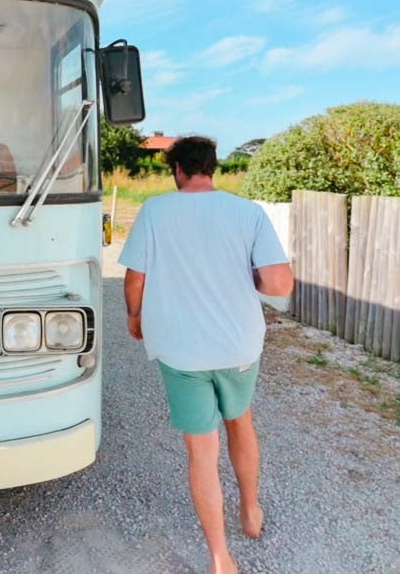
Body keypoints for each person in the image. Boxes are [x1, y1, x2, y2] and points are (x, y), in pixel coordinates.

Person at [119, 135, 294, 574]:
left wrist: (135, 316)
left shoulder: (156, 211)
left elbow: (135, 279)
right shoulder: (247, 212)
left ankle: (220, 556)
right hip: (238, 344)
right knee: (241, 420)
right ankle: (250, 510)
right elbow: (279, 285)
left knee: (201, 450)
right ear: (212, 168)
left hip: (181, 349)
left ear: (178, 170)